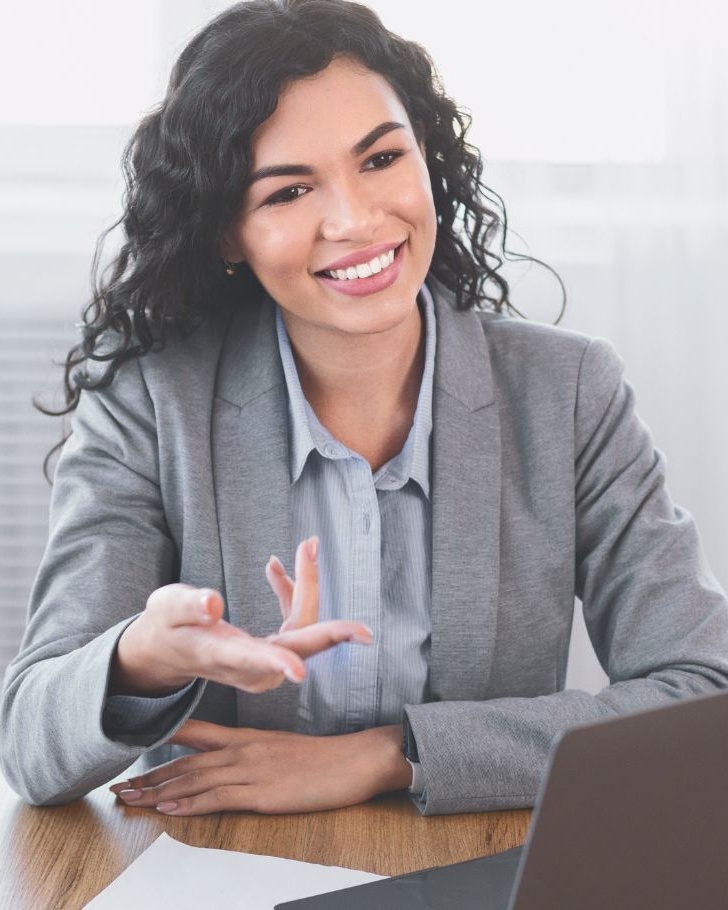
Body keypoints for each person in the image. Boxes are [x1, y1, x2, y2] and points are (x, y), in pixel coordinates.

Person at [2, 0, 727, 817]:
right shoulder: (150, 403)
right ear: (227, 234)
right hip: (219, 862)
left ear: (427, 158)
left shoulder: (568, 393)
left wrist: (391, 755)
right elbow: (31, 746)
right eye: (288, 191)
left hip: (479, 861)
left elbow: (707, 697)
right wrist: (142, 657)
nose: (354, 221)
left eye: (381, 158)